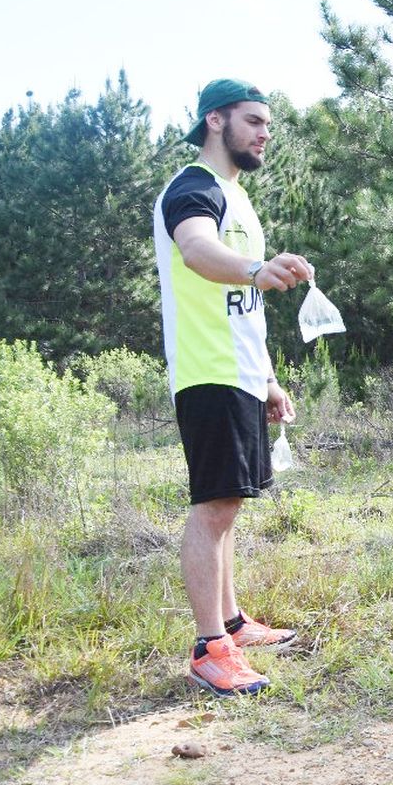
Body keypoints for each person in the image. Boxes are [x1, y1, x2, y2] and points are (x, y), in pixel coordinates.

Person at [153, 79, 315, 695]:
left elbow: (245, 306)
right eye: (253, 121)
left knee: (231, 503)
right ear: (215, 121)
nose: (264, 132)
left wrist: (268, 379)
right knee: (213, 505)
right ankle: (208, 649)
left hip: (240, 372)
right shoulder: (192, 188)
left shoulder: (235, 197)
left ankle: (233, 623)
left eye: (267, 123)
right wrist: (255, 266)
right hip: (206, 369)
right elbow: (196, 251)